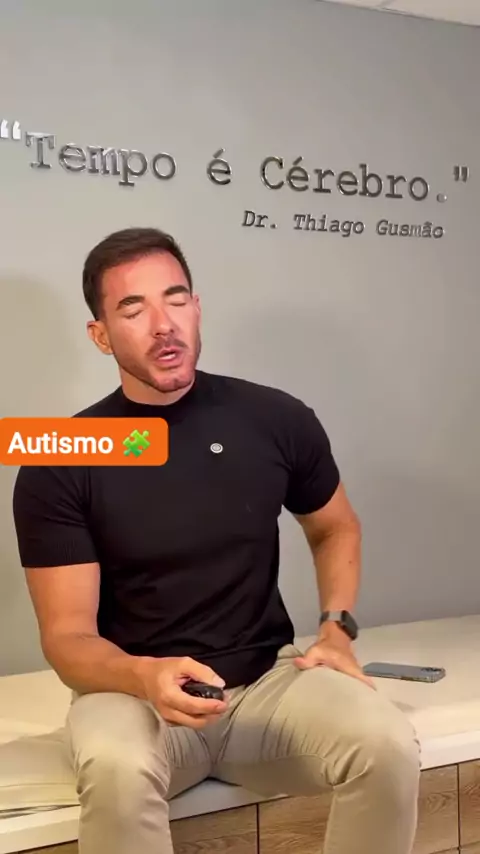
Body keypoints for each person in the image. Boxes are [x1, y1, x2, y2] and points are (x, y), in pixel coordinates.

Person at [12, 227, 420, 854]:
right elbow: (67, 640)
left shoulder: (276, 417)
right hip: (134, 693)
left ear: (197, 308)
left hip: (266, 684)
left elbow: (335, 524)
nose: (163, 325)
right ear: (100, 335)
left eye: (176, 299)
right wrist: (143, 675)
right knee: (117, 770)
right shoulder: (63, 454)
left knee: (387, 745)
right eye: (133, 309)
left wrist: (337, 627)